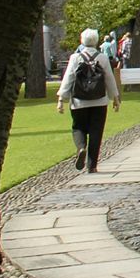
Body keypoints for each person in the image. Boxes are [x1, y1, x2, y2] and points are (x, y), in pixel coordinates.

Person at [56, 28, 122, 172]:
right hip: (99, 101)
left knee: (78, 127)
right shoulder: (102, 58)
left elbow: (68, 79)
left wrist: (62, 99)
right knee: (96, 132)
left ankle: (81, 148)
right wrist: (115, 98)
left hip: (79, 101)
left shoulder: (75, 58)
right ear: (96, 41)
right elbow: (109, 79)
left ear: (82, 41)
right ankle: (92, 166)